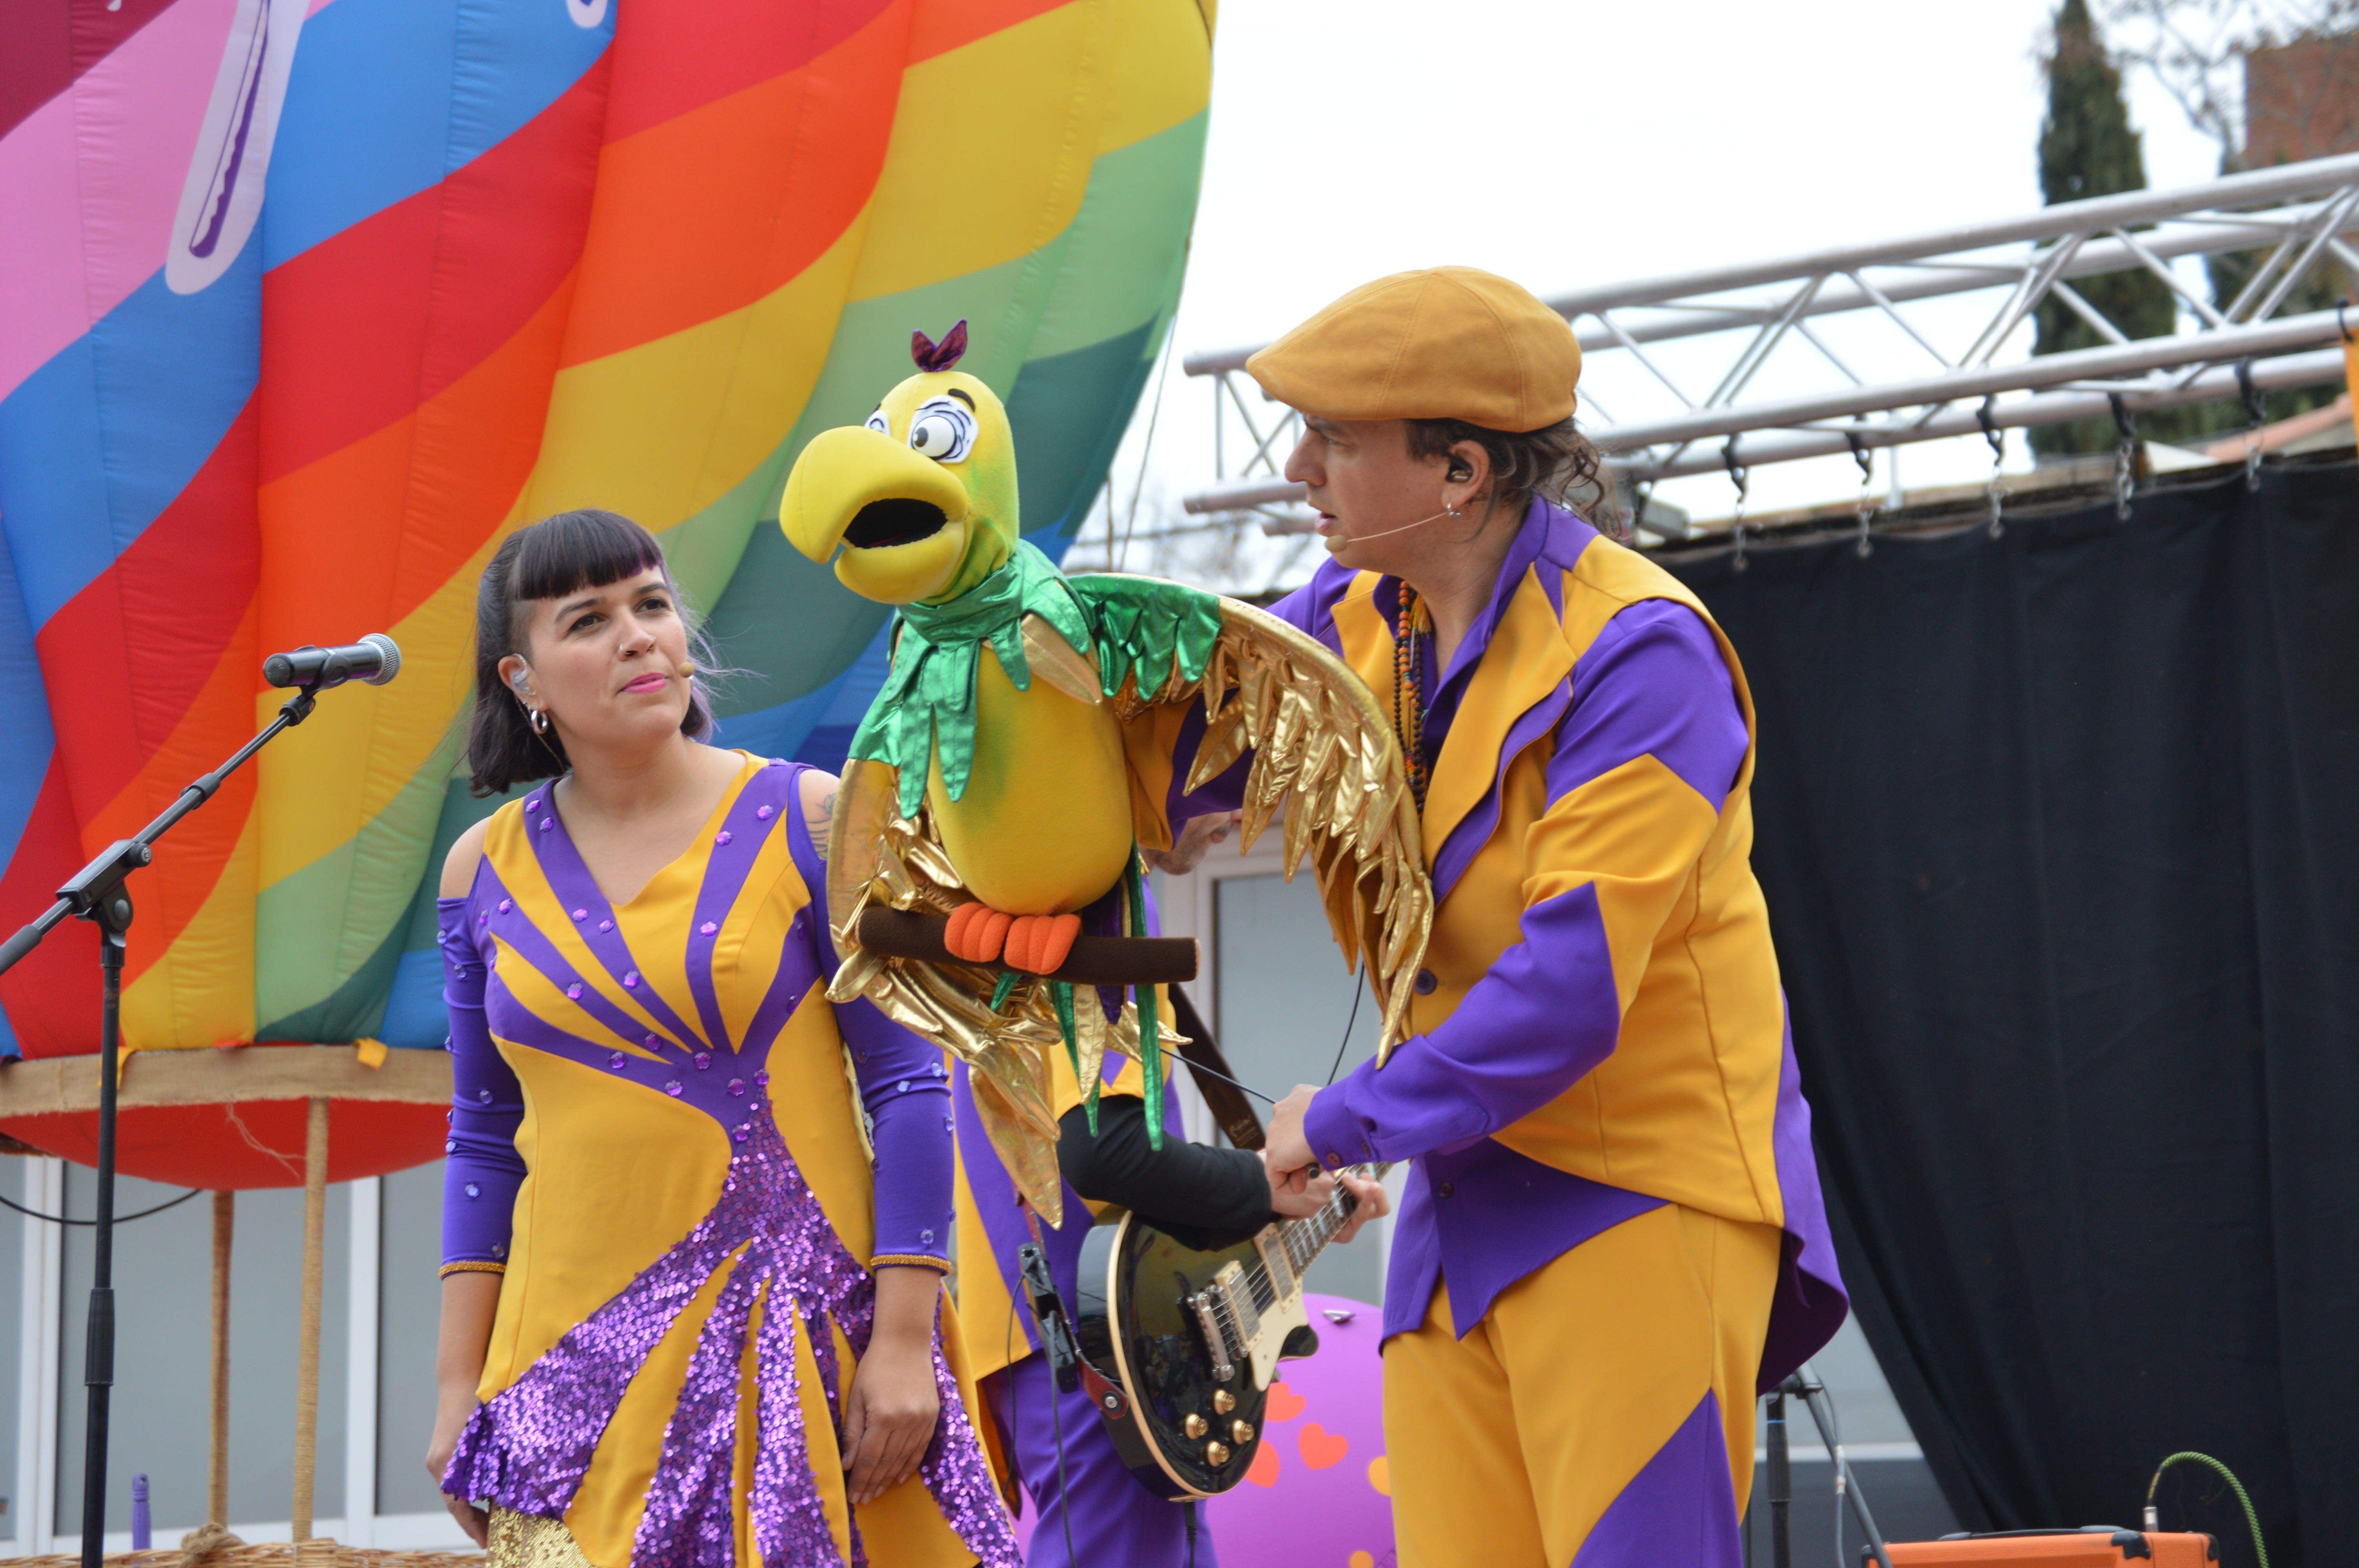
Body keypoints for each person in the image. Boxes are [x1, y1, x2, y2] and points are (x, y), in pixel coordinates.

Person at [1149, 268, 1849, 1568]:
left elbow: (1567, 991)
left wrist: (1343, 1119)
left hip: (1637, 1200)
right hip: (1454, 1221)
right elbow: (1160, 749)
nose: (1298, 467)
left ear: (1459, 471)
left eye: (1337, 440)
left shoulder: (1642, 652)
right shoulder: (1348, 623)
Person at [424, 508, 1016, 1568]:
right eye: (590, 620)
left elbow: (911, 1088)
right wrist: (455, 1389)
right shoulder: (479, 869)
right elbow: (481, 1134)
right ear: (523, 679)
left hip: (804, 1344)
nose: (639, 635)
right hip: (565, 1385)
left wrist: (903, 1339)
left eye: (653, 605)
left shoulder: (817, 817)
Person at [949, 878, 1388, 1568]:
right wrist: (1261, 1184)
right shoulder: (1101, 886)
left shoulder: (1021, 874)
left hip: (1060, 1326)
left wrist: (1287, 1199)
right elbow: (1105, 1151)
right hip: (1105, 1333)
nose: (1240, 811)